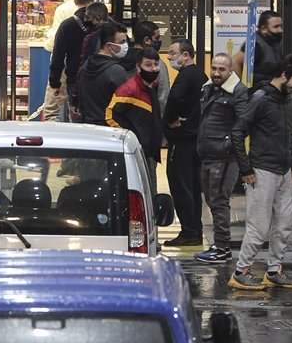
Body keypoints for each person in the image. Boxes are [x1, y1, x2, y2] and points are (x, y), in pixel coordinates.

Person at [228, 54, 292, 290]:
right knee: (259, 226)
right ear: (283, 75)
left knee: (284, 224)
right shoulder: (261, 98)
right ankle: (240, 272)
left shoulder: (287, 98)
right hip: (262, 171)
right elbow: (237, 132)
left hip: (283, 170)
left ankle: (274, 271)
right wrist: (246, 169)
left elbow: (287, 134)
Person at [194, 54, 249, 264]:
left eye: (222, 69)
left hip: (224, 158)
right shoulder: (209, 88)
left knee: (219, 201)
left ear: (230, 71)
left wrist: (227, 145)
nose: (216, 73)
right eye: (214, 68)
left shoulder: (237, 91)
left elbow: (243, 124)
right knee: (212, 200)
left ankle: (222, 247)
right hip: (209, 154)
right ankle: (220, 245)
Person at [162, 39, 207, 247]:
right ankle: (195, 230)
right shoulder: (200, 75)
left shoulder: (185, 76)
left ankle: (188, 231)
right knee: (193, 187)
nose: (170, 57)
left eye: (173, 53)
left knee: (181, 186)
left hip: (182, 140)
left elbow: (175, 99)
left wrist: (171, 120)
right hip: (196, 138)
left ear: (186, 55)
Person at [106, 47, 164, 192]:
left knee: (151, 191)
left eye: (156, 64)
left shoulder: (152, 86)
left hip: (150, 152)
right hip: (137, 151)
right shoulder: (129, 89)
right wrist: (131, 139)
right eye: (148, 65)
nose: (154, 69)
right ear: (138, 68)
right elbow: (110, 115)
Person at [41, 0, 90, 121]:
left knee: (52, 109)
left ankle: (52, 133)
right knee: (78, 108)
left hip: (64, 65)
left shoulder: (63, 9)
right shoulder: (95, 9)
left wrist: (47, 41)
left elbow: (55, 44)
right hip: (85, 66)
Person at [65, 1, 112, 122]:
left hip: (92, 91)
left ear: (97, 19)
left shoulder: (90, 38)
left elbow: (82, 68)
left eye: (87, 17)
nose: (85, 20)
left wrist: (75, 99)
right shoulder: (119, 34)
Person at [78, 21, 130, 127]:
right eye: (122, 42)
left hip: (88, 127)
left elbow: (81, 103)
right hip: (111, 128)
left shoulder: (85, 67)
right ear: (109, 46)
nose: (125, 46)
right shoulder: (116, 71)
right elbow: (125, 105)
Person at [232, 10, 284, 86]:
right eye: (276, 27)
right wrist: (242, 87)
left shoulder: (273, 43)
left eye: (281, 26)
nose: (280, 30)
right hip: (258, 90)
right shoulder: (256, 45)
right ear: (264, 29)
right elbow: (235, 61)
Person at [132, 20, 170, 108]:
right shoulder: (156, 64)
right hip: (148, 112)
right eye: (157, 38)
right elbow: (163, 98)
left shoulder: (121, 60)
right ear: (147, 40)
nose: (160, 40)